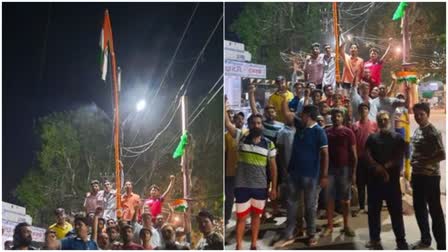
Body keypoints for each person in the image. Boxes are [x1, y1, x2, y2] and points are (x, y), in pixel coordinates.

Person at [275, 102, 329, 248]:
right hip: (294, 174)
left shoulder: (319, 131)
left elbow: (325, 154)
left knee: (310, 206)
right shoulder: (300, 126)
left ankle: (311, 234)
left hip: (311, 176)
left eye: (303, 114)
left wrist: (324, 176)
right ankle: (290, 233)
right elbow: (287, 113)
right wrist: (284, 96)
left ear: (309, 116)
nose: (300, 116)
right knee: (291, 205)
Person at [225, 103, 278, 250]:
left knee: (256, 217)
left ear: (262, 125)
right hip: (242, 186)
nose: (256, 125)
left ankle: (254, 244)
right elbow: (228, 124)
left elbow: (273, 168)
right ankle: (239, 245)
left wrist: (273, 187)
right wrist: (224, 107)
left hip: (260, 186)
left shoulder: (269, 144)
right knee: (241, 218)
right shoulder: (241, 137)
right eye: (253, 123)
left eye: (259, 123)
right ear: (249, 125)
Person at [364, 111, 408, 250]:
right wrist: (379, 168)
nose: (383, 121)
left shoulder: (397, 138)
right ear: (377, 121)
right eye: (380, 119)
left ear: (389, 121)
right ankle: (375, 239)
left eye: (385, 119)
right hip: (374, 183)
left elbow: (399, 157)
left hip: (392, 183)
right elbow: (367, 155)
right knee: (373, 213)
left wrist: (384, 168)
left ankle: (401, 241)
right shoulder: (371, 138)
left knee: (396, 213)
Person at [410, 103, 446, 250]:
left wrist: (424, 162)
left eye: (422, 114)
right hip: (417, 176)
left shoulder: (433, 131)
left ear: (427, 114)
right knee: (419, 209)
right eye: (417, 115)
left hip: (430, 177)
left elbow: (442, 154)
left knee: (435, 210)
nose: (419, 117)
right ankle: (425, 239)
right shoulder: (418, 131)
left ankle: (442, 245)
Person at [321, 108, 357, 237]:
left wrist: (353, 173)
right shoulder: (326, 132)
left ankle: (346, 225)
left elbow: (354, 154)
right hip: (330, 169)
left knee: (345, 200)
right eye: (334, 116)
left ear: (342, 118)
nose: (336, 118)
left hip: (344, 169)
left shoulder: (348, 132)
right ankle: (329, 226)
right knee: (329, 198)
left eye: (339, 116)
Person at [351, 103, 378, 216]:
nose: (363, 111)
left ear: (368, 111)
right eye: (361, 109)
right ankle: (362, 206)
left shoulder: (374, 125)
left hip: (371, 159)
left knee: (371, 184)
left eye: (365, 109)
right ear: (358, 111)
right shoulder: (355, 125)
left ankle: (371, 206)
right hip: (359, 159)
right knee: (361, 184)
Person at [225, 111, 246, 226]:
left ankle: (241, 220)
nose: (240, 121)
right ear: (234, 120)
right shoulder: (226, 136)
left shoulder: (246, 134)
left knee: (242, 199)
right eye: (237, 119)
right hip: (230, 172)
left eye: (242, 119)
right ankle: (227, 219)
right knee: (229, 198)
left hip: (243, 174)